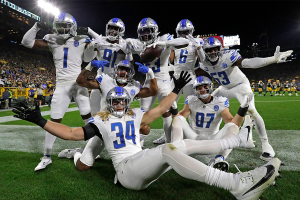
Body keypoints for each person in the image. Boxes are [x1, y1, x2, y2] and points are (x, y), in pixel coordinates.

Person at [12, 72, 281, 200]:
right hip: (128, 172)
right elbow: (71, 133)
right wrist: (39, 119)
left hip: (141, 162)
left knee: (178, 144)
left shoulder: (134, 115)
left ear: (126, 103)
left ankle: (233, 141)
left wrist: (175, 88)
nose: (118, 106)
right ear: (109, 103)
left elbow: (163, 108)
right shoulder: (102, 120)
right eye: (114, 103)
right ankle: (235, 184)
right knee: (167, 150)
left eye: (121, 102)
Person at [187, 36, 292, 161]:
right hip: (224, 88)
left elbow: (248, 63)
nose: (212, 52)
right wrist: (173, 70)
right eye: (209, 50)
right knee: (201, 104)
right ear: (204, 52)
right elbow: (192, 71)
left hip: (240, 86)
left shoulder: (228, 56)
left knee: (252, 111)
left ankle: (266, 144)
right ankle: (203, 135)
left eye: (214, 49)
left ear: (220, 49)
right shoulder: (204, 63)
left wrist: (272, 59)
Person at [21, 12, 99, 171]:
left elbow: (97, 48)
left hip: (79, 84)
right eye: (59, 26)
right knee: (54, 122)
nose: (62, 29)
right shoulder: (52, 39)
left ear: (73, 27)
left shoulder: (80, 39)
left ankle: (93, 150)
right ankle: (46, 156)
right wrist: (37, 26)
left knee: (88, 118)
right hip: (62, 85)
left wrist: (90, 32)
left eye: (65, 26)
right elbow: (26, 42)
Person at [58, 59, 158, 163]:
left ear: (131, 73)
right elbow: (81, 82)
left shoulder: (134, 86)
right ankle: (77, 152)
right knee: (83, 165)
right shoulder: (105, 80)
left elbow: (153, 91)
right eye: (121, 69)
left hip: (122, 126)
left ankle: (131, 145)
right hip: (104, 125)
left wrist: (150, 73)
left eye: (126, 70)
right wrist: (89, 66)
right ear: (116, 70)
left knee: (145, 128)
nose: (123, 72)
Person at [127, 17, 190, 145]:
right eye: (143, 31)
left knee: (167, 113)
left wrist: (166, 44)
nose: (145, 34)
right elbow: (125, 48)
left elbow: (185, 41)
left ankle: (169, 141)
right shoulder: (138, 44)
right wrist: (128, 49)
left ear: (155, 30)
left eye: (148, 31)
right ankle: (139, 141)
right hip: (149, 81)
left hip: (164, 80)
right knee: (143, 113)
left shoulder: (164, 39)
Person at [174, 76, 254, 172]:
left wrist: (243, 108)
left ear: (210, 87)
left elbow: (233, 122)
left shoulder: (220, 101)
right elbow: (181, 116)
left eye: (205, 86)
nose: (203, 90)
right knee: (178, 119)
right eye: (199, 88)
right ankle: (174, 149)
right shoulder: (191, 100)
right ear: (195, 90)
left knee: (231, 126)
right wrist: (173, 110)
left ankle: (219, 159)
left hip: (213, 139)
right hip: (194, 138)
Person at [153, 19, 207, 145]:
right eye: (181, 32)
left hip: (189, 77)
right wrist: (169, 46)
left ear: (191, 31)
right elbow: (171, 61)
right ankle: (167, 134)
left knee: (191, 107)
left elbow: (203, 60)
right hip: (176, 77)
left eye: (186, 32)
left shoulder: (197, 41)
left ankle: (194, 135)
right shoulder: (176, 43)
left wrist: (198, 47)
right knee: (168, 106)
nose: (184, 34)